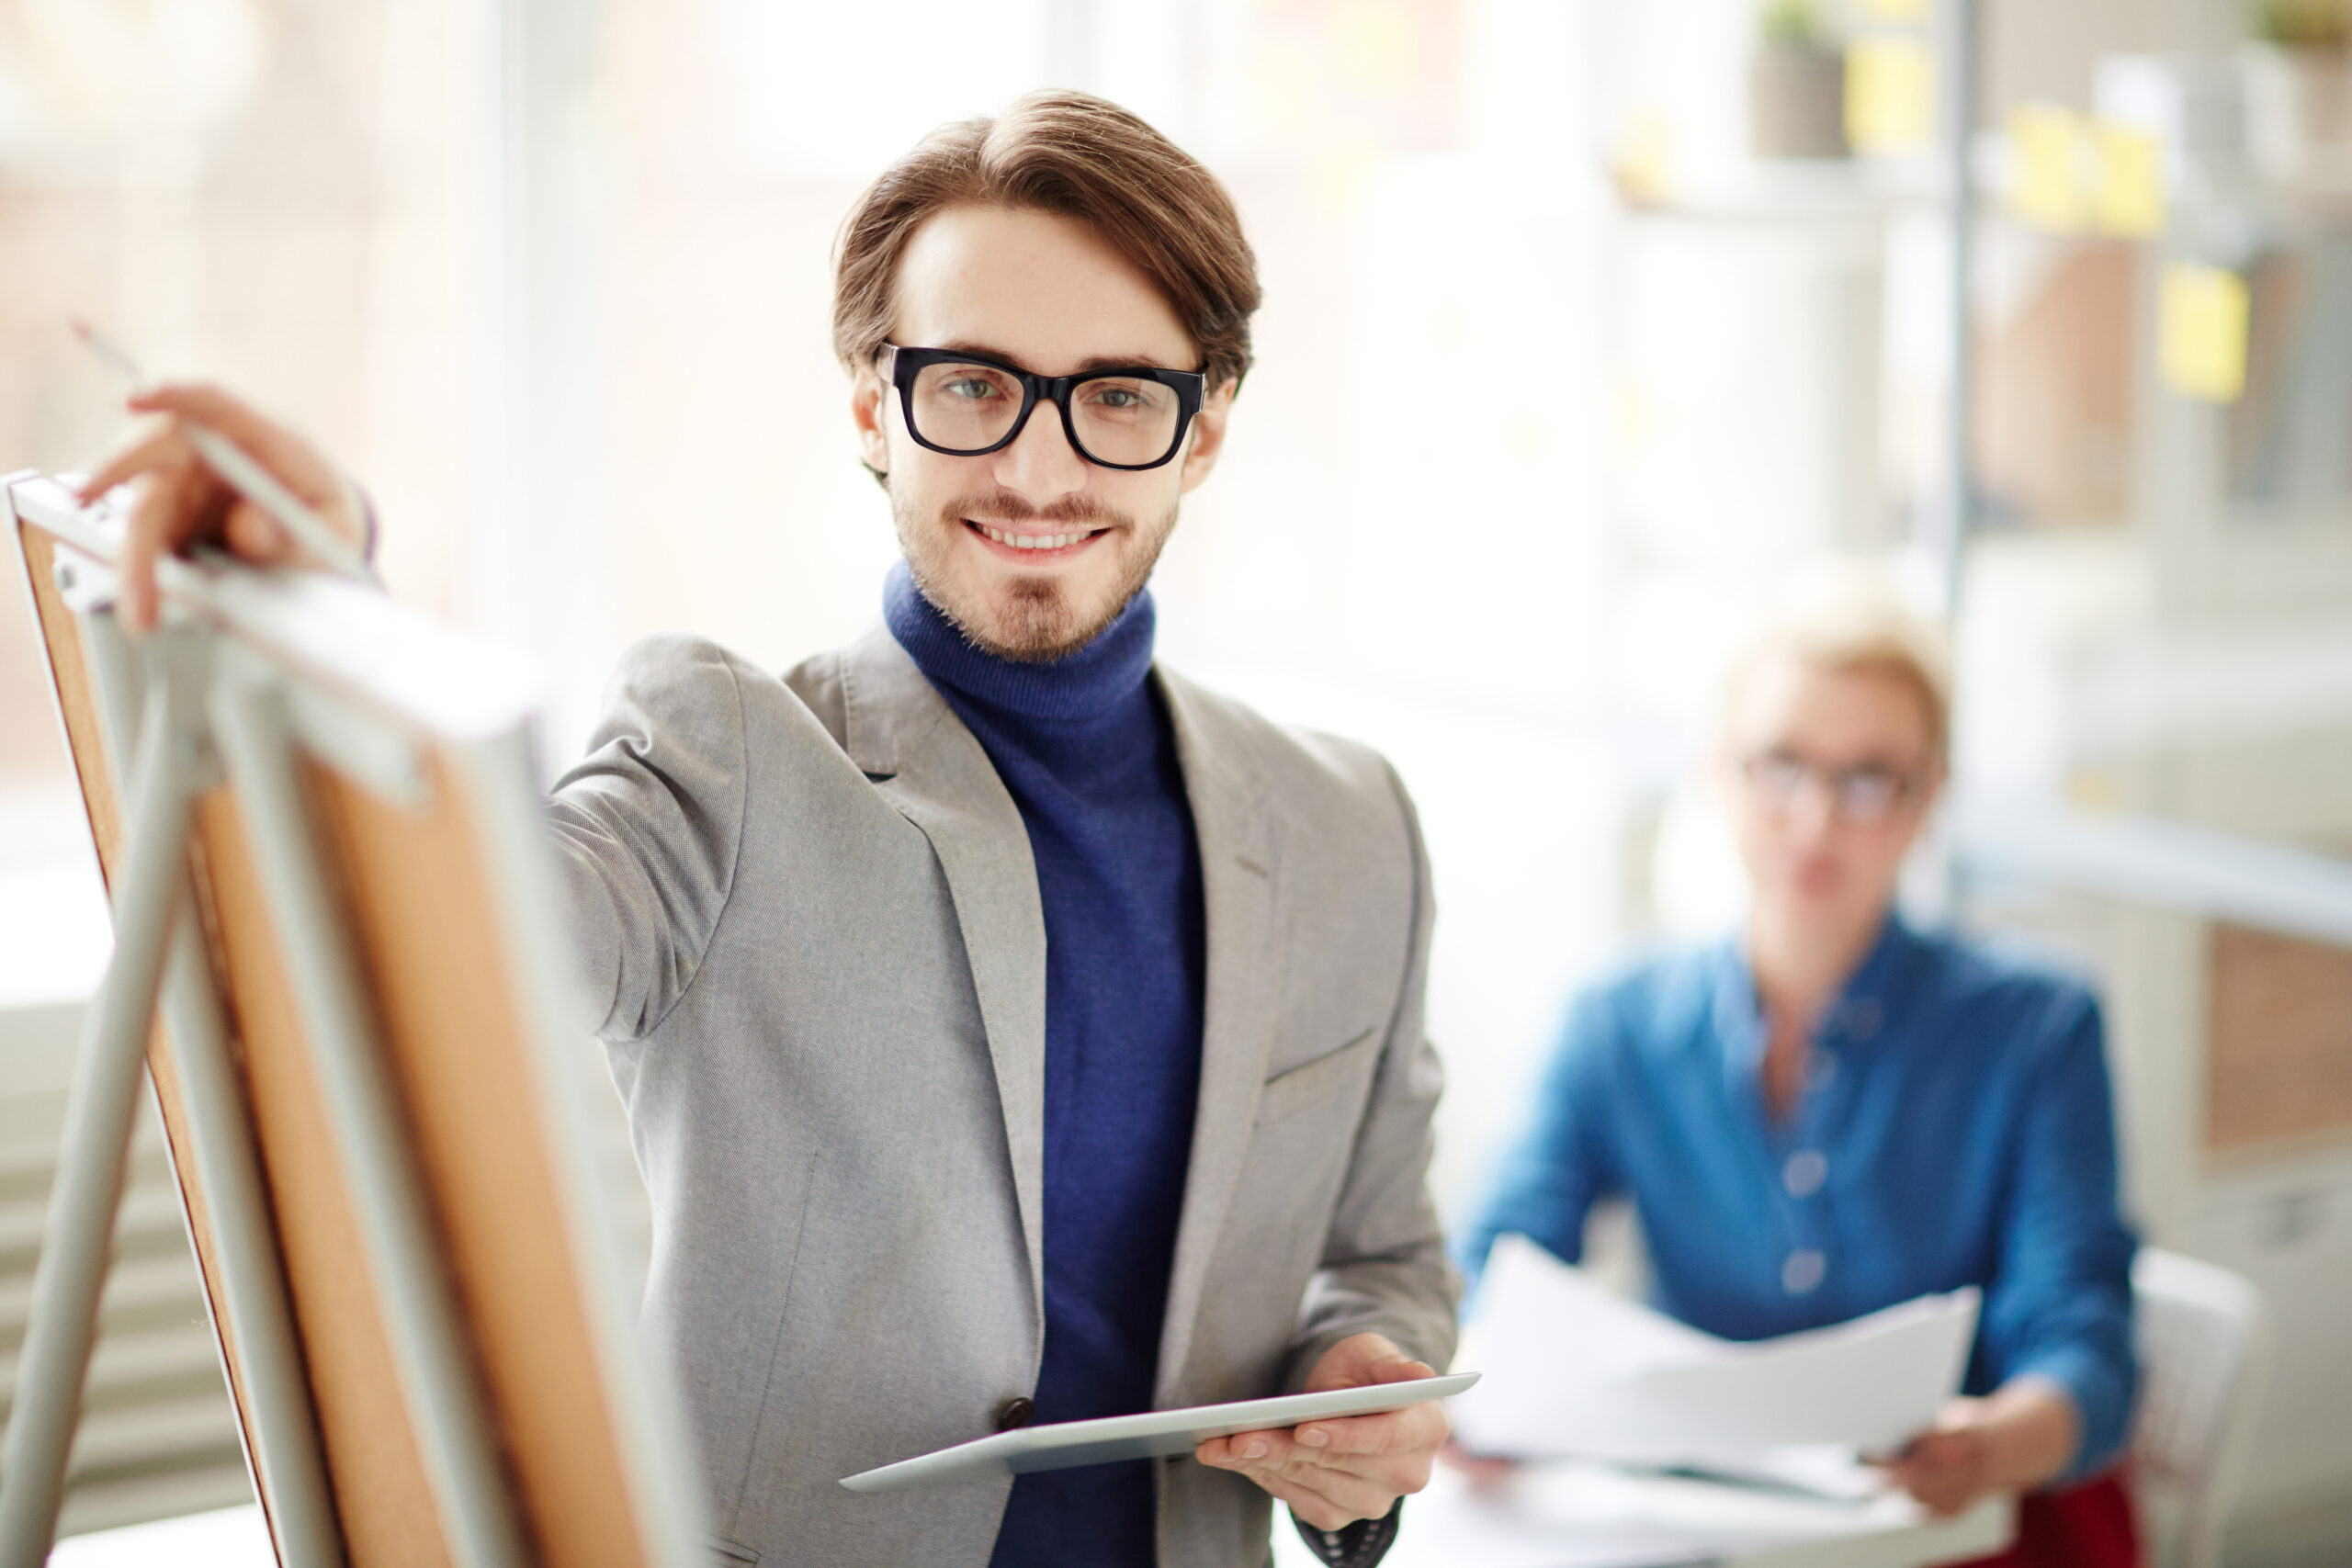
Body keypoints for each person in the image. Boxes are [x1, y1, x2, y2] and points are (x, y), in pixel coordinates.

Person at [78, 91, 1457, 1568]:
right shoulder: (723, 751)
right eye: (974, 384)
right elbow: (475, 937)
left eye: (1119, 394)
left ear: (1205, 430)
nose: (1041, 471)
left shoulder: (1347, 824)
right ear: (874, 407)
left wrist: (1362, 1378)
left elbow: (1384, 1255)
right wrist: (336, 617)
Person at [1455, 570, 2141, 1568]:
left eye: (1868, 778)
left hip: (1948, 1521)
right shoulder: (1615, 1024)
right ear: (1717, 772)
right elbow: (1503, 1265)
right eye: (1779, 765)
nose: (1816, 820)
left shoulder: (2037, 1027)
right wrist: (1487, 1386)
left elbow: (2081, 1332)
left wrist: (1996, 1443)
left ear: (1926, 798)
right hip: (1708, 1524)